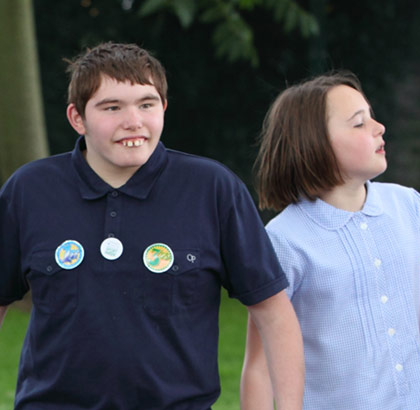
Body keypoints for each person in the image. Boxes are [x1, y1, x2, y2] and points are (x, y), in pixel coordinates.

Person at [0, 42, 304, 410]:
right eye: (112, 107)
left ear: (162, 107)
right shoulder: (29, 190)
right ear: (77, 118)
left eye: (146, 104)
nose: (134, 121)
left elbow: (274, 313)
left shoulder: (212, 188)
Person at [240, 71, 420, 410]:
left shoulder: (408, 206)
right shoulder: (283, 242)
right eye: (358, 123)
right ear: (315, 143)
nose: (378, 127)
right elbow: (261, 368)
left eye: (371, 116)